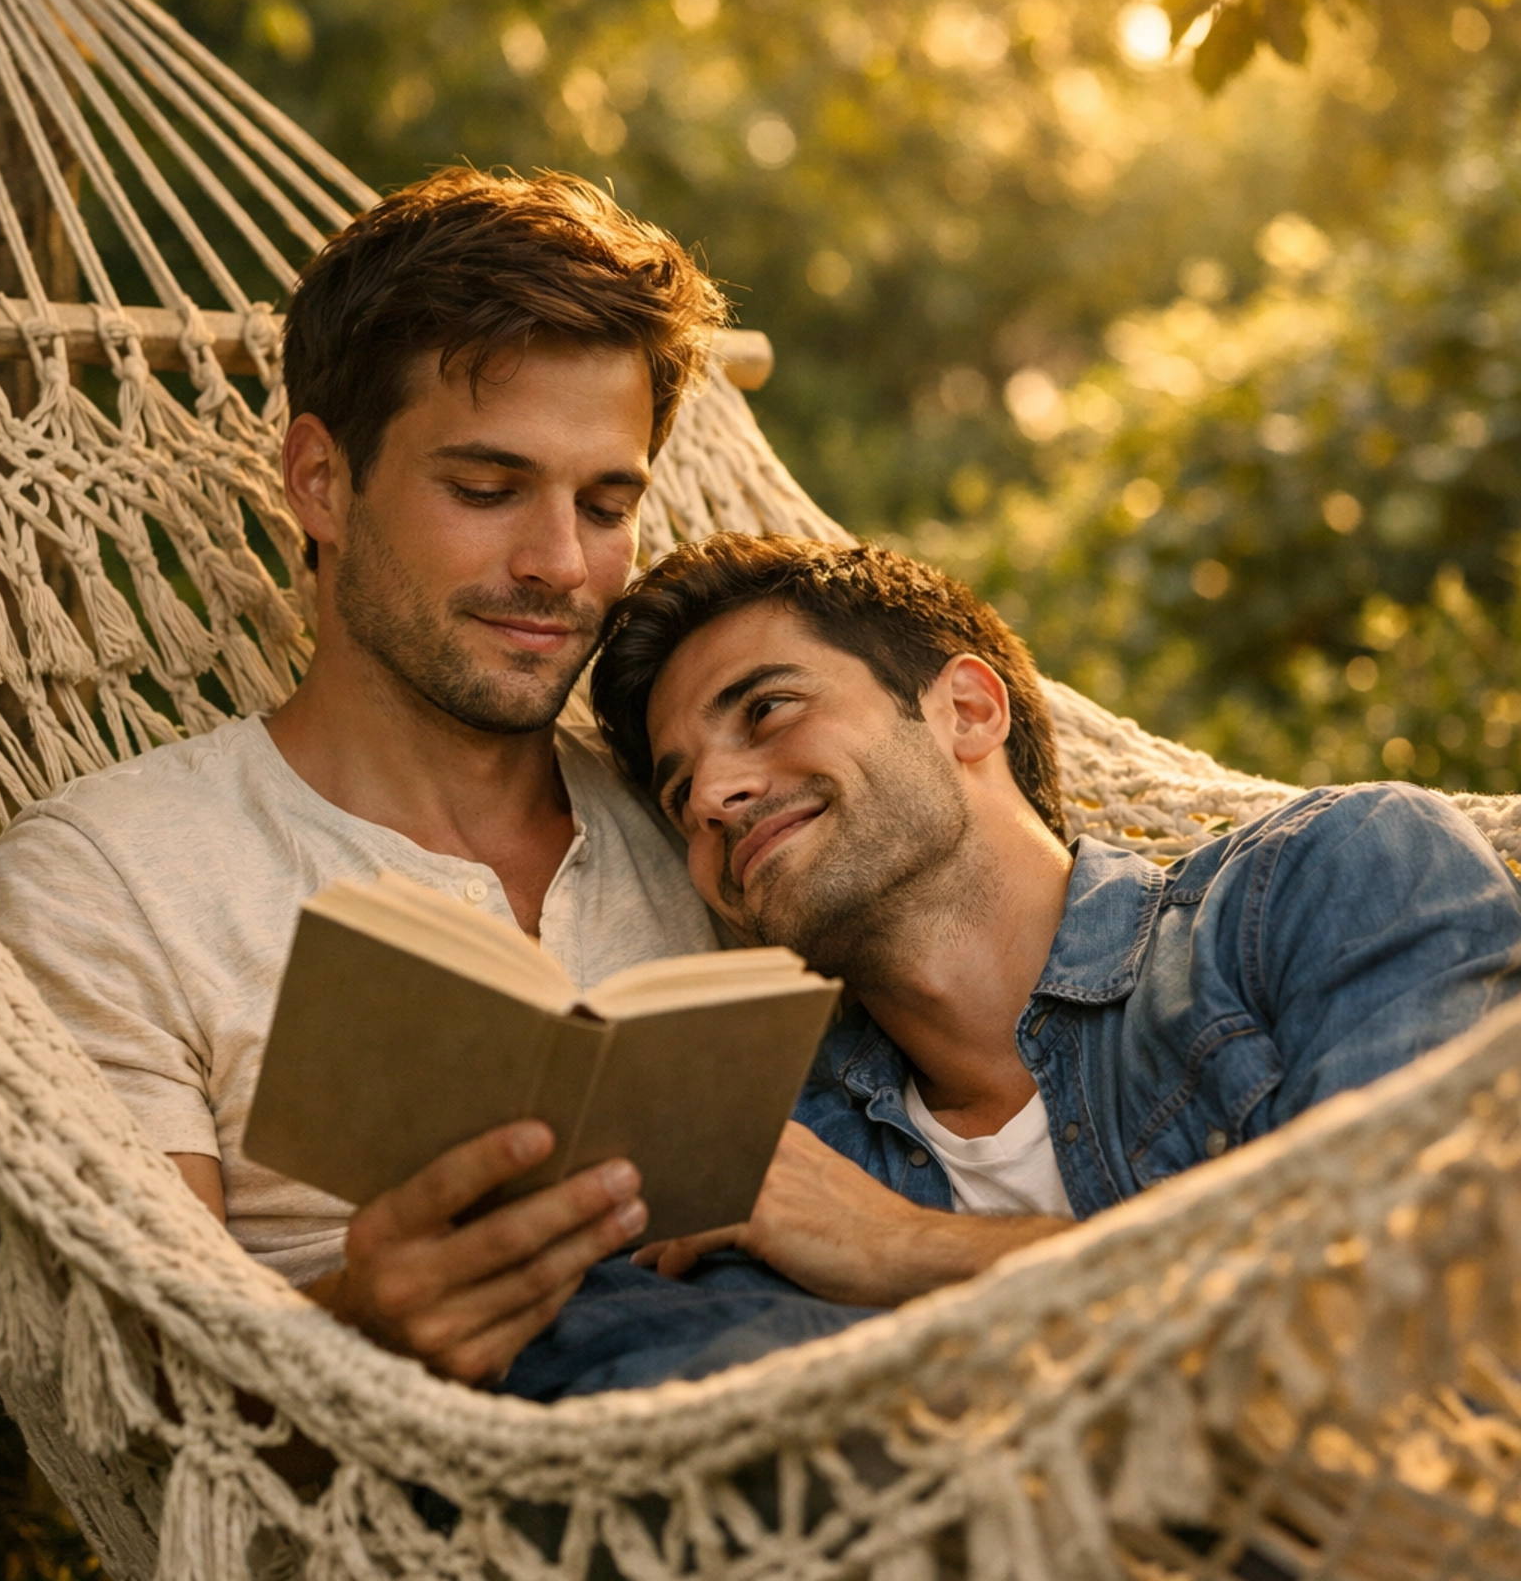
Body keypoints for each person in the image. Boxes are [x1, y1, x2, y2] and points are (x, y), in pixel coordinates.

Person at [0, 169, 752, 1391]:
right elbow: (145, 1401)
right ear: (320, 481)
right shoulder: (112, 879)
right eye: (486, 490)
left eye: (606, 505)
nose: (562, 566)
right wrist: (352, 1328)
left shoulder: (711, 826)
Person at [588, 533, 1521, 1306]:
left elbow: (1417, 1289)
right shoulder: (779, 1155)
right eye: (678, 795)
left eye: (766, 709)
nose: (712, 795)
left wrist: (906, 1247)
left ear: (967, 709)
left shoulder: (1337, 877)